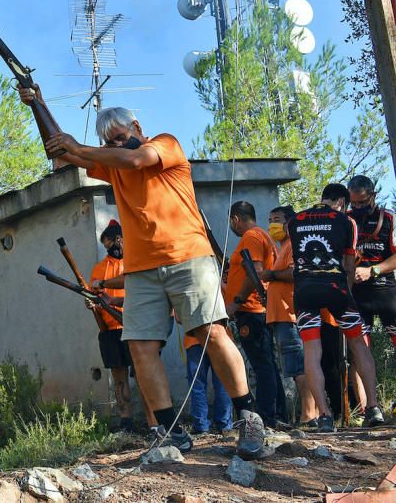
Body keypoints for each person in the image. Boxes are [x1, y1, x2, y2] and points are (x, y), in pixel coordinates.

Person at [19, 91, 268, 459]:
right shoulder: (112, 162)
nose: (116, 145)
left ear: (137, 127)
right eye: (110, 142)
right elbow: (61, 151)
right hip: (142, 270)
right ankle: (168, 430)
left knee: (211, 332)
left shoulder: (164, 145)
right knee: (140, 347)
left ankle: (248, 417)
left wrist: (82, 146)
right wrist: (38, 105)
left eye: (120, 136)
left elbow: (134, 158)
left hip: (187, 257)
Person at [288, 183, 384, 431]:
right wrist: (348, 295)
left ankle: (325, 416)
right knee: (358, 343)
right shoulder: (345, 221)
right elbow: (350, 265)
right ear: (341, 201)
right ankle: (373, 407)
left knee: (312, 350)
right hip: (336, 289)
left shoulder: (295, 221)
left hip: (304, 291)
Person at [83, 220, 156, 432]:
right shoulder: (99, 269)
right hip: (110, 330)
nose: (109, 248)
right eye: (106, 245)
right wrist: (91, 304)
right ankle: (126, 420)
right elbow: (95, 297)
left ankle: (154, 421)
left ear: (119, 239)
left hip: (136, 326)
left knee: (143, 374)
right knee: (119, 377)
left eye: (111, 243)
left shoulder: (135, 263)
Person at [225, 201, 287, 428]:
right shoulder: (264, 236)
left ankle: (267, 416)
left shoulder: (251, 237)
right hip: (257, 310)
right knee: (267, 363)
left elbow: (255, 273)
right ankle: (278, 414)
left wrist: (236, 301)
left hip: (250, 310)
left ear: (235, 219)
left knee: (262, 365)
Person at [260, 206, 317, 426]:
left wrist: (271, 275)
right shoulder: (283, 246)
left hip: (290, 314)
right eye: (270, 219)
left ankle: (309, 415)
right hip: (281, 314)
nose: (272, 224)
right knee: (295, 368)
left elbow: (296, 273)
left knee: (299, 366)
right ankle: (309, 414)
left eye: (277, 219)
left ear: (290, 222)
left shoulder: (294, 244)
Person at [348, 175, 396, 349]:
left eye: (362, 202)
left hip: (386, 291)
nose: (357, 207)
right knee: (358, 350)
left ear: (373, 195)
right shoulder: (345, 220)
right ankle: (364, 378)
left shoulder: (390, 218)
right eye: (353, 203)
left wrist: (372, 271)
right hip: (356, 293)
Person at [183, 331, 233, 435]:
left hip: (194, 341)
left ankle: (201, 427)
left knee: (197, 386)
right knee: (223, 384)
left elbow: (179, 319)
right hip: (220, 338)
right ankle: (225, 425)